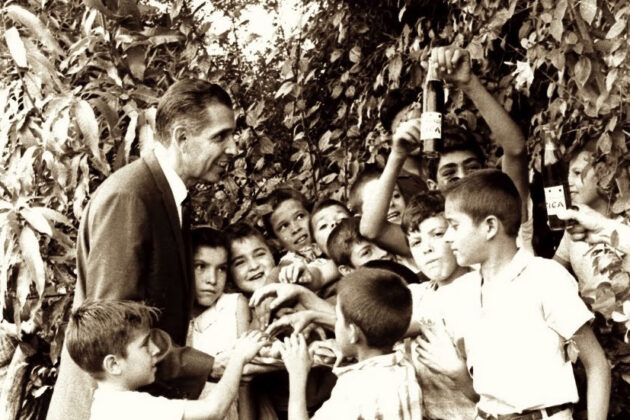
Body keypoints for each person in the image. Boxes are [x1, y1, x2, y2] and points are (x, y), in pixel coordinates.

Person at [47, 79, 237, 420]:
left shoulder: (166, 195)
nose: (234, 148)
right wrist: (210, 366)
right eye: (220, 136)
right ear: (181, 138)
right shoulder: (129, 198)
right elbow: (111, 334)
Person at [442, 169, 610, 420]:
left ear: (490, 226)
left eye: (454, 226)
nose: (447, 237)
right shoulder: (461, 292)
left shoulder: (544, 278)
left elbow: (596, 365)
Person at [360, 45, 530, 257]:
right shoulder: (440, 239)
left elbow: (515, 149)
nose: (462, 178)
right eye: (450, 174)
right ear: (433, 186)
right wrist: (396, 155)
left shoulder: (505, 211)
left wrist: (468, 82)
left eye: (471, 169)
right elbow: (371, 230)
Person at [65, 300, 266, 420]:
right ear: (114, 364)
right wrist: (239, 357)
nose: (155, 349)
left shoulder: (106, 404)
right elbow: (214, 409)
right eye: (145, 345)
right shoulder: (128, 407)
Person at [279, 267, 422, 419]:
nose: (335, 324)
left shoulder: (352, 389)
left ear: (353, 333)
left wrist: (297, 375)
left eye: (338, 318)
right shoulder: (405, 366)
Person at [400, 191, 476, 419]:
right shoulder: (416, 295)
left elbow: (385, 325)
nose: (427, 248)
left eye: (437, 234)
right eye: (416, 242)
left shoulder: (479, 286)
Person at [186, 226, 253, 420]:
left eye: (221, 269)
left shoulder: (233, 306)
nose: (212, 279)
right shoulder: (175, 315)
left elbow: (245, 382)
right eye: (201, 266)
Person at [554, 140, 630, 295]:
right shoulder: (574, 225)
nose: (568, 182)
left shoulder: (626, 220)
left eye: (577, 173)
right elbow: (553, 273)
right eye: (568, 174)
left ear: (605, 174)